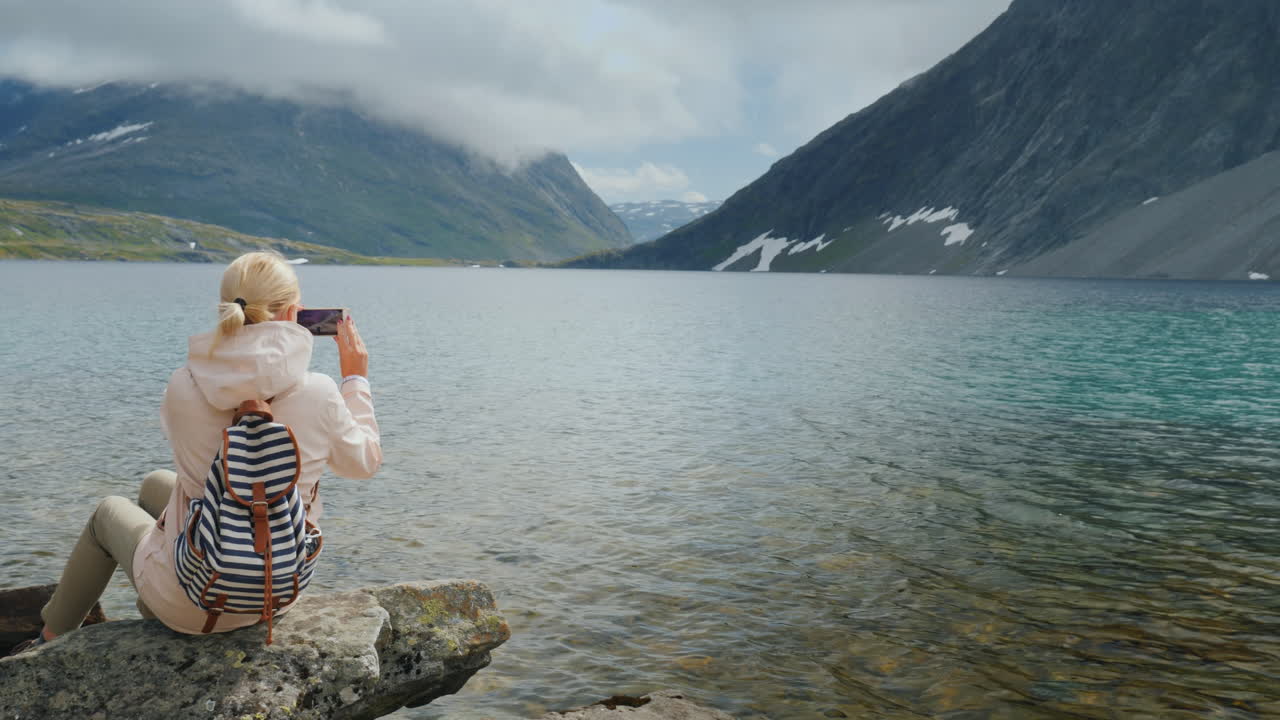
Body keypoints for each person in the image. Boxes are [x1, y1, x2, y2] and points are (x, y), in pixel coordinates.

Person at [13, 251, 381, 652]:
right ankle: (153, 598)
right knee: (156, 484)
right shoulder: (320, 391)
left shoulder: (184, 385)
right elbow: (364, 464)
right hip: (276, 591)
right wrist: (355, 379)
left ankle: (47, 641)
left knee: (108, 513)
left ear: (228, 308)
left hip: (192, 599)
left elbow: (193, 467)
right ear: (295, 311)